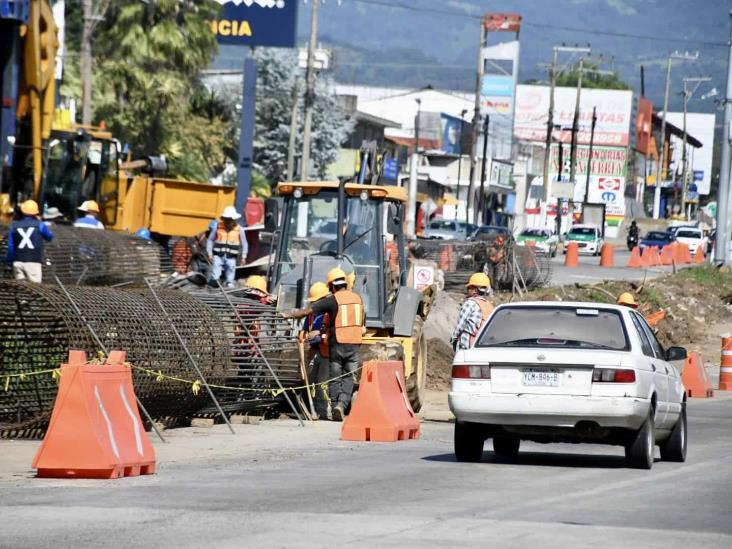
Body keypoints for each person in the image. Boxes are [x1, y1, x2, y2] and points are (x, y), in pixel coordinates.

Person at [283, 267, 364, 421]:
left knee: (335, 378)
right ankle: (342, 404)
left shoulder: (333, 300)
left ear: (333, 286)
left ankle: (335, 407)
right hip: (354, 344)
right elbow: (361, 322)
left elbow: (308, 311)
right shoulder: (358, 298)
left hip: (337, 345)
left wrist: (289, 314)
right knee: (348, 378)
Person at [300, 282, 331, 420]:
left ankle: (322, 411)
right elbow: (305, 330)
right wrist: (304, 336)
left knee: (322, 384)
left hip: (326, 352)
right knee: (310, 381)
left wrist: (318, 335)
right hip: (313, 351)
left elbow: (332, 333)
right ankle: (310, 408)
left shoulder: (329, 313)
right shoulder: (311, 315)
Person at [6, 199, 54, 283]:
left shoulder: (14, 226)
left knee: (21, 290)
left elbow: (10, 246)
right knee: (35, 290)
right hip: (33, 262)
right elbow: (49, 237)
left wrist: (10, 261)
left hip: (18, 262)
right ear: (36, 212)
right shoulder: (40, 225)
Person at [450, 272, 494, 351]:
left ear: (475, 290)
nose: (468, 290)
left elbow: (461, 325)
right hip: (483, 346)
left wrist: (454, 338)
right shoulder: (489, 306)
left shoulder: (470, 303)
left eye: (469, 287)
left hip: (467, 345)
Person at [207, 206, 247, 288]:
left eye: (230, 219)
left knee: (230, 280)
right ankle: (212, 288)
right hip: (218, 256)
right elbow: (210, 240)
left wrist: (243, 257)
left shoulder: (239, 229)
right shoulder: (218, 227)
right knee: (215, 277)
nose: (228, 222)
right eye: (226, 219)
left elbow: (244, 244)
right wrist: (210, 253)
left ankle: (229, 289)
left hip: (231, 258)